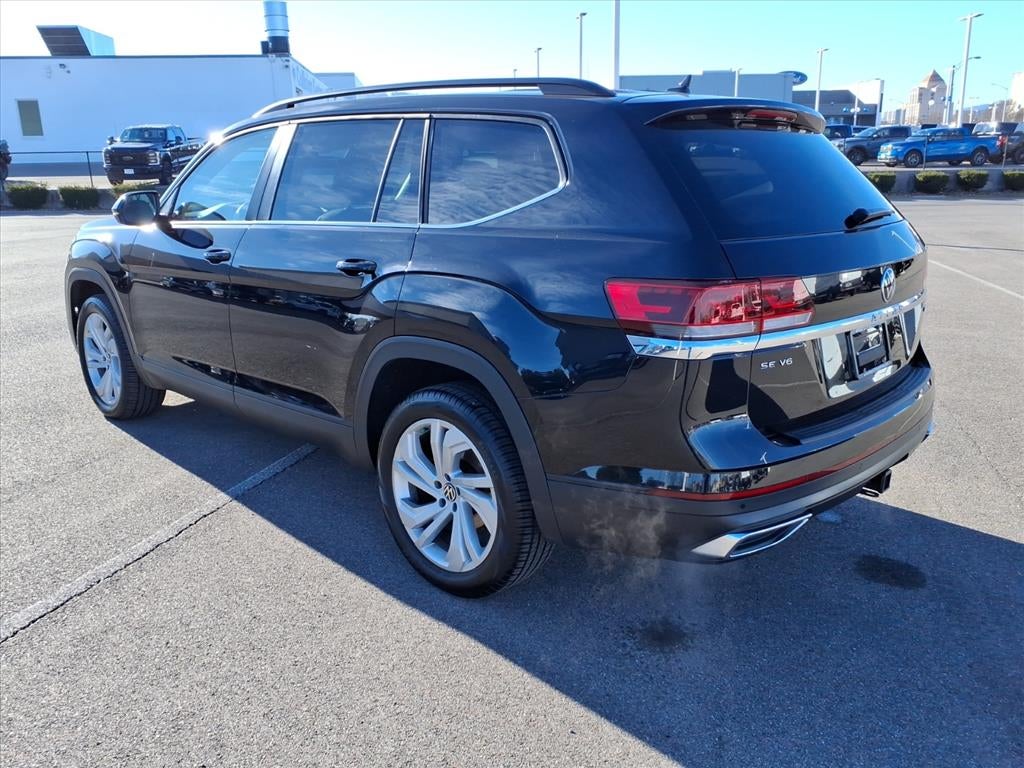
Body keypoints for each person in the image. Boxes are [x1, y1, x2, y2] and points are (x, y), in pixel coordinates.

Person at [0, 139, 11, 207]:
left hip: (3, 171)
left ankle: (3, 201)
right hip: (3, 171)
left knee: (2, 185)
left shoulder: (5, 149)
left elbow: (7, 160)